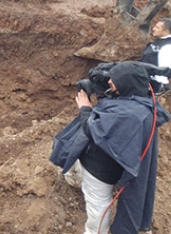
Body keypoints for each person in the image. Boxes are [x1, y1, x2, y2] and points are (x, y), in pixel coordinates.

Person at [50, 62, 170, 234]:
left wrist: (85, 108)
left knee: (98, 206)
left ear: (126, 84)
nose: (110, 83)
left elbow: (92, 128)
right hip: (117, 162)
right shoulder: (139, 100)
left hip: (100, 171)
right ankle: (74, 179)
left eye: (113, 81)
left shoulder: (128, 116)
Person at [140, 18, 171, 93]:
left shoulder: (167, 47)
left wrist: (154, 88)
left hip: (151, 86)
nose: (153, 29)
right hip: (143, 79)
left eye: (157, 27)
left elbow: (164, 71)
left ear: (166, 31)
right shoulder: (158, 42)